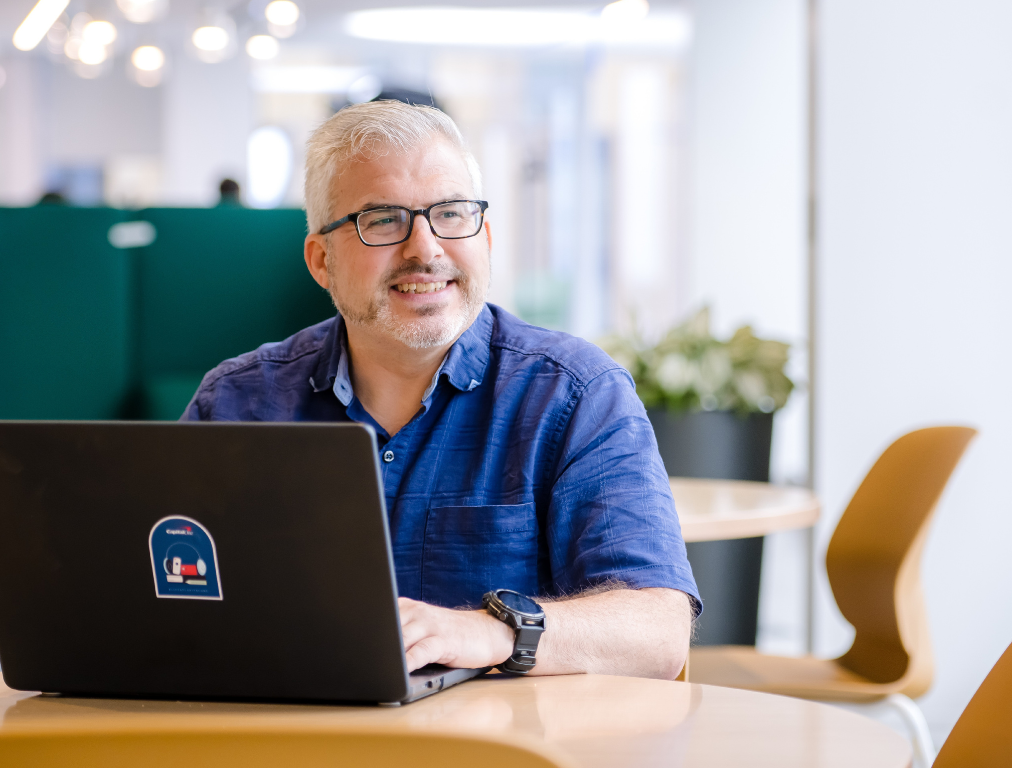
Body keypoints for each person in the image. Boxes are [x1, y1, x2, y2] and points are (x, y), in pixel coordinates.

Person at [182, 101, 697, 680]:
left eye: (451, 214)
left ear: (486, 236)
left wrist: (492, 630)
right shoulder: (236, 404)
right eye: (381, 219)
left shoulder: (575, 395)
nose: (425, 249)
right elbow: (163, 605)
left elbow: (659, 631)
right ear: (321, 261)